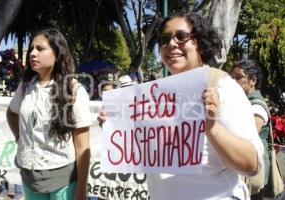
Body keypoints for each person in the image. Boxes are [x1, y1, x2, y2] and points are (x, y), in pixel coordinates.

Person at [98, 12, 264, 200]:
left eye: (181, 36)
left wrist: (212, 127)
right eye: (164, 39)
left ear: (199, 43)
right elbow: (150, 153)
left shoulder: (221, 86)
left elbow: (252, 164)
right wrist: (116, 129)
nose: (171, 43)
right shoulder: (151, 96)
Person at [6, 28, 92, 200]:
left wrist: (81, 190)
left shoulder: (74, 90)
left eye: (40, 48)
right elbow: (11, 113)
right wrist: (19, 137)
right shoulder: (25, 86)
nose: (32, 53)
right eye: (31, 49)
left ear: (57, 53)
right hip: (29, 177)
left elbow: (83, 147)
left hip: (63, 181)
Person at [230, 59, 270, 199]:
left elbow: (246, 135)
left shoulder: (257, 106)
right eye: (232, 78)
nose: (233, 82)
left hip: (253, 169)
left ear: (252, 81)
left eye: (239, 77)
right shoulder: (241, 101)